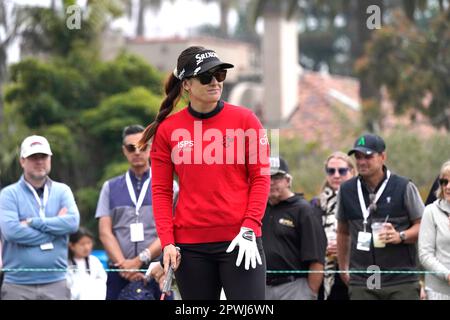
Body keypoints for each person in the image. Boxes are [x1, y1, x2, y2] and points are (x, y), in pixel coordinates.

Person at [137, 46, 270, 300]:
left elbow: (261, 178)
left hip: (241, 240)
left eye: (219, 75)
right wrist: (167, 242)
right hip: (191, 248)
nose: (215, 82)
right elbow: (162, 191)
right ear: (186, 84)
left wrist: (250, 226)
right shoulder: (168, 130)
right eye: (206, 77)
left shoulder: (246, 120)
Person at [336, 133, 424, 300]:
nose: (361, 162)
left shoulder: (404, 186)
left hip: (400, 280)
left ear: (383, 157)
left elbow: (423, 225)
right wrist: (343, 267)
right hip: (362, 280)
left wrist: (401, 236)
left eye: (368, 156)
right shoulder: (346, 190)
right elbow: (343, 232)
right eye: (358, 157)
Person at [96, 125, 178, 300]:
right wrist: (125, 266)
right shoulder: (110, 187)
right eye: (131, 148)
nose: (137, 152)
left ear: (151, 147)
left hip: (157, 270)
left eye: (142, 146)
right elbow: (104, 232)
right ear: (124, 151)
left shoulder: (169, 185)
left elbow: (174, 228)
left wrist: (139, 260)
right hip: (119, 272)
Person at [0, 135, 80, 300]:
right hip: (17, 284)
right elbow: (11, 232)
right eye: (33, 157)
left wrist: (32, 222)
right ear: (23, 161)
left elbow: (73, 223)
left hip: (56, 282)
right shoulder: (8, 194)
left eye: (43, 157)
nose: (39, 161)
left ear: (50, 159)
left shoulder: (62, 190)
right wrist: (56, 229)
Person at [263, 157, 326, 300]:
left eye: (277, 177)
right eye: (267, 177)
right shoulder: (258, 209)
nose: (271, 182)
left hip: (294, 287)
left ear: (288, 180)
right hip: (262, 287)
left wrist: (309, 292)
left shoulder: (303, 210)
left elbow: (317, 258)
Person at [311, 151, 355, 300]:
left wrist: (345, 246)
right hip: (324, 273)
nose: (336, 175)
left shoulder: (363, 200)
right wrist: (322, 246)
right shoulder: (315, 204)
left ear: (352, 171)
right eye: (331, 171)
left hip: (356, 270)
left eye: (342, 171)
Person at [418, 160, 450, 300]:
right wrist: (447, 275)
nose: (448, 187)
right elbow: (425, 254)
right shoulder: (431, 211)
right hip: (438, 292)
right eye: (444, 182)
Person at [66, 227, 107, 300]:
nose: (87, 247)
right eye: (82, 244)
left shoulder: (94, 261)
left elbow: (102, 280)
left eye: (89, 243)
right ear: (71, 246)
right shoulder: (66, 263)